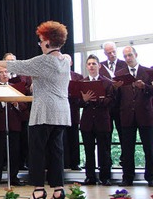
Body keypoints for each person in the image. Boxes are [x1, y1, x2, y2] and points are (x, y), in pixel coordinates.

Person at [0, 20, 71, 199]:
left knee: (37, 151)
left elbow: (19, 65)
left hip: (44, 112)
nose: (40, 45)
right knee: (56, 151)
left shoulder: (45, 60)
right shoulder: (65, 60)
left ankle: (38, 189)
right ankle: (58, 189)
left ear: (47, 41)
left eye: (40, 41)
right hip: (61, 112)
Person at [113, 46, 153, 187]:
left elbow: (152, 91)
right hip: (127, 115)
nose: (128, 58)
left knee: (149, 148)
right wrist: (115, 88)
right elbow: (116, 99)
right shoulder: (120, 74)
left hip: (145, 115)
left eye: (130, 55)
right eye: (125, 56)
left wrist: (145, 87)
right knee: (127, 148)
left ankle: (151, 177)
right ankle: (127, 178)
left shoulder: (147, 72)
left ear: (136, 54)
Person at [77, 54, 114, 186]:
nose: (91, 66)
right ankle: (90, 177)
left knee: (104, 150)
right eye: (89, 64)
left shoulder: (107, 82)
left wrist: (98, 99)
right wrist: (84, 100)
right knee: (88, 151)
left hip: (102, 120)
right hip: (87, 122)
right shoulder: (82, 83)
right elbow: (77, 102)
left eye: (94, 63)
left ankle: (105, 177)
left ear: (99, 66)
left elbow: (111, 100)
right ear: (86, 67)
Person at [0, 66, 27, 187]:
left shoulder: (16, 87)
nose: (4, 74)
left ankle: (14, 177)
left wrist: (16, 103)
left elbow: (24, 105)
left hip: (14, 124)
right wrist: (3, 101)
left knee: (14, 152)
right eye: (1, 72)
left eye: (6, 72)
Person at [64, 54, 83, 171]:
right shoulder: (55, 75)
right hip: (59, 111)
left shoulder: (78, 77)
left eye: (67, 61)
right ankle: (62, 163)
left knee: (74, 138)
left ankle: (75, 163)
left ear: (71, 63)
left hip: (73, 111)